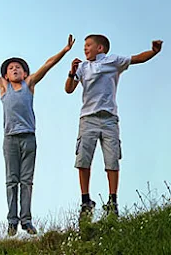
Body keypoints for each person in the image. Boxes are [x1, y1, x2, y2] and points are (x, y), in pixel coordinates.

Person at [0, 28, 74, 235]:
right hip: (10, 140)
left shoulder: (29, 84)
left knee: (26, 181)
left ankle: (26, 221)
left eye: (18, 67)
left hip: (28, 138)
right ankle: (12, 221)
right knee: (11, 180)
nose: (15, 69)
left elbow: (47, 64)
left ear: (25, 73)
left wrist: (64, 50)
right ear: (6, 76)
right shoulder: (2, 86)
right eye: (11, 68)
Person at [65, 34, 163, 219]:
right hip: (88, 118)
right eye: (84, 46)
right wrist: (72, 71)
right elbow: (69, 89)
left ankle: (112, 201)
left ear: (100, 48)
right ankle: (85, 200)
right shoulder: (83, 67)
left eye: (88, 45)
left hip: (109, 119)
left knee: (112, 160)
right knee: (83, 159)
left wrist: (154, 51)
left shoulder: (113, 61)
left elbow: (137, 58)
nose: (85, 48)